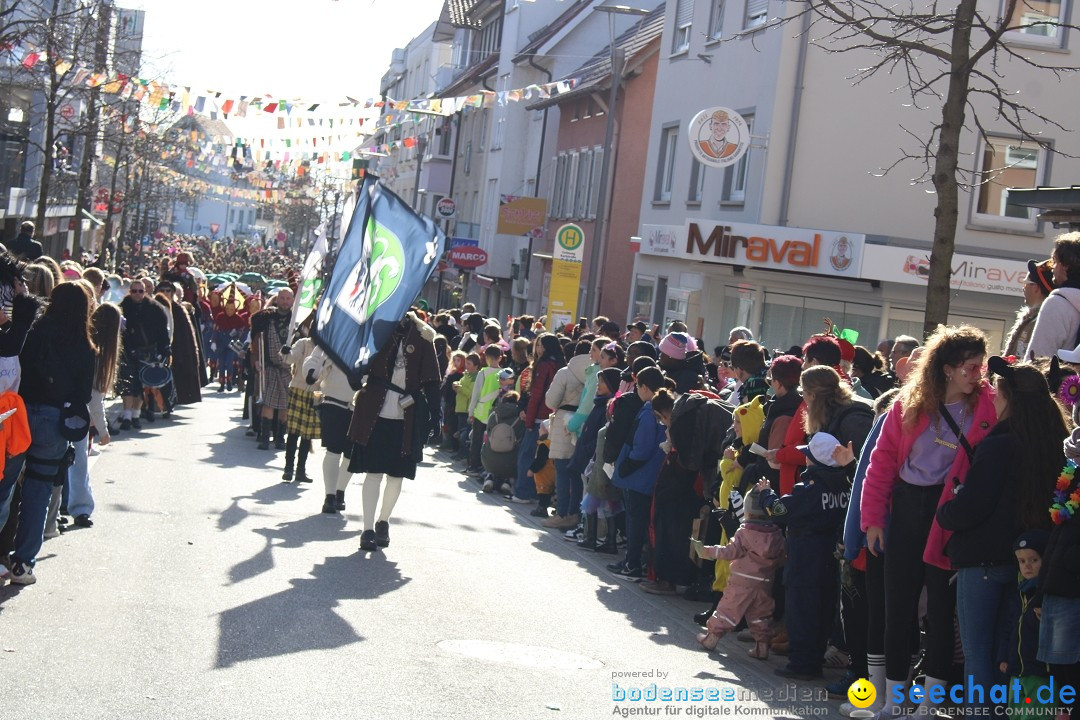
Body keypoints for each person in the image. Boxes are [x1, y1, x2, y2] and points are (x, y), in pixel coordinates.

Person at [860, 325, 996, 717]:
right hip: (906, 508)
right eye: (971, 367)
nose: (978, 374)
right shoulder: (911, 403)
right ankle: (893, 700)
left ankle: (928, 705)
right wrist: (873, 520)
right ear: (949, 369)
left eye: (981, 367)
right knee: (897, 608)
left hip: (950, 512)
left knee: (940, 610)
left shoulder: (988, 405)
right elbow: (881, 463)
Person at [934, 357, 1066, 708]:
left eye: (997, 391)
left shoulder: (999, 444)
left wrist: (945, 511)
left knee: (979, 655)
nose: (992, 396)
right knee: (1010, 654)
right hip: (1030, 562)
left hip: (984, 562)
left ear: (1009, 397)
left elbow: (972, 506)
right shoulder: (1055, 442)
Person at [5, 282, 96, 585]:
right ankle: (23, 564)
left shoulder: (35, 332)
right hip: (55, 419)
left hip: (19, 414)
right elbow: (83, 393)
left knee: (4, 488)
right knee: (39, 491)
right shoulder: (84, 345)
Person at [760, 432, 854, 680]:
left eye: (808, 456)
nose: (806, 460)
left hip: (805, 554)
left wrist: (765, 493)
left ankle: (802, 663)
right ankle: (816, 656)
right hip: (832, 556)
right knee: (824, 608)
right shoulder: (847, 487)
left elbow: (778, 511)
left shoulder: (807, 489)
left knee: (801, 609)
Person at [347, 311, 440, 552]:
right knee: (374, 472)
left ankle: (383, 521)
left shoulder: (423, 336)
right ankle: (367, 529)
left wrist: (435, 414)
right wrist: (354, 377)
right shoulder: (376, 330)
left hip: (406, 416)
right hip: (374, 412)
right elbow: (356, 362)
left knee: (396, 476)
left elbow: (431, 380)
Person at [692, 484, 786, 660]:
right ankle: (762, 646)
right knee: (760, 614)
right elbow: (782, 558)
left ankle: (711, 638)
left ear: (747, 512)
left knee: (727, 609)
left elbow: (729, 552)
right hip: (765, 582)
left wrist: (706, 551)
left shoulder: (745, 532)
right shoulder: (776, 535)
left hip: (741, 581)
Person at [65, 301, 122, 531]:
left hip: (61, 404)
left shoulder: (78, 340)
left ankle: (60, 510)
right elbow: (94, 398)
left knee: (61, 462)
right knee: (79, 462)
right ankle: (81, 508)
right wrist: (103, 430)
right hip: (77, 412)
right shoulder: (98, 353)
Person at [607, 366, 667, 578]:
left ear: (644, 387)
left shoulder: (650, 411)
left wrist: (626, 466)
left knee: (636, 521)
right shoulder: (660, 407)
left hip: (639, 476)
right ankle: (632, 561)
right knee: (637, 520)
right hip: (647, 475)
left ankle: (632, 564)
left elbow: (641, 448)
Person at [542, 341, 590, 529]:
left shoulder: (565, 372)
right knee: (577, 472)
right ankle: (575, 513)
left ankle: (562, 513)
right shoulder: (596, 373)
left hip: (564, 421)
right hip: (585, 422)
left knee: (562, 469)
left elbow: (551, 400)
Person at [302, 345, 354, 514]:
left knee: (351, 454)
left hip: (360, 406)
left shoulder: (372, 338)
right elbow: (315, 359)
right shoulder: (335, 338)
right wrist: (311, 371)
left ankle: (340, 491)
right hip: (334, 401)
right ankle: (330, 496)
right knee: (333, 450)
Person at [115, 279, 170, 431]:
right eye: (134, 291)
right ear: (130, 292)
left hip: (148, 351)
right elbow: (118, 332)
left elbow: (162, 331)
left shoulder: (155, 308)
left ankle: (136, 415)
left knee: (142, 384)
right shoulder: (122, 308)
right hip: (126, 351)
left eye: (140, 291)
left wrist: (165, 348)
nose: (137, 294)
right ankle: (126, 416)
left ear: (145, 292)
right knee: (127, 384)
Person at [516, 334, 564, 502]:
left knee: (527, 455)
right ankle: (541, 493)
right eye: (537, 345)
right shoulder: (560, 364)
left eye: (540, 346)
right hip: (553, 417)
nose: (538, 349)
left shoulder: (543, 365)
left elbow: (536, 395)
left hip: (538, 417)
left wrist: (529, 420)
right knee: (545, 458)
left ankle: (523, 492)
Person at [251, 289, 294, 450]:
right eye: (282, 298)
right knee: (268, 403)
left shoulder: (297, 319)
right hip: (269, 366)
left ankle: (280, 437)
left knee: (285, 405)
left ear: (292, 300)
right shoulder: (266, 318)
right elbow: (255, 343)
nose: (284, 301)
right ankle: (264, 438)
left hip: (289, 368)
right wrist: (256, 361)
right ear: (277, 300)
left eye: (288, 298)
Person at [1027, 232, 1080, 360]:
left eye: (1054, 261)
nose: (1052, 268)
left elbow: (1038, 358)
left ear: (1065, 266)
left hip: (1063, 379)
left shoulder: (1057, 303)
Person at [282, 326, 320, 484]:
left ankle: (300, 470)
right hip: (298, 389)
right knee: (293, 432)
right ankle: (288, 468)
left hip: (315, 394)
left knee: (307, 435)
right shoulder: (303, 344)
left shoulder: (328, 349)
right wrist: (286, 352)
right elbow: (290, 358)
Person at [1004, 260, 1055, 358]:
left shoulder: (1039, 321)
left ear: (1036, 287)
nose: (1023, 288)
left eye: (1025, 283)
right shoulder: (1033, 319)